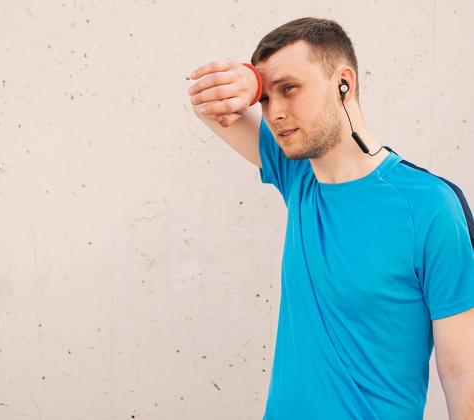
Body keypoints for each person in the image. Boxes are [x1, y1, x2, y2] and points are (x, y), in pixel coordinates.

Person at [187, 17, 474, 419]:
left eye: (290, 88)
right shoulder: (299, 176)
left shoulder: (431, 208)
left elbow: (463, 376)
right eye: (266, 99)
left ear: (344, 84)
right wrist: (252, 80)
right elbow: (207, 104)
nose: (276, 113)